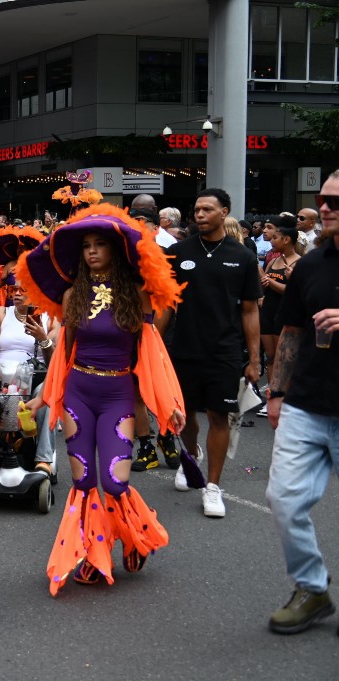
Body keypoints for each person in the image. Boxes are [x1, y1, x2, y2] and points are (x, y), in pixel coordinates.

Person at [19, 204, 184, 595]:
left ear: (115, 250)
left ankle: (133, 535)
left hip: (118, 395)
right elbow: (64, 354)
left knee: (114, 481)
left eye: (100, 245)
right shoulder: (74, 293)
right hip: (79, 392)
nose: (92, 252)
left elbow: (152, 355)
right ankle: (94, 555)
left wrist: (168, 404)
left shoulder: (138, 296)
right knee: (85, 481)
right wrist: (44, 397)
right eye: (87, 246)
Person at [263, 177, 339, 635]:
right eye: (321, 200)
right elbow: (291, 333)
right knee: (284, 499)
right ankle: (312, 589)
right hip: (305, 406)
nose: (323, 208)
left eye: (334, 202)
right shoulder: (311, 265)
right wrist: (276, 393)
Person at [158, 188, 261, 518]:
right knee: (184, 415)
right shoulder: (177, 252)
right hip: (183, 348)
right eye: (196, 209)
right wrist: (153, 344)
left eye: (206, 209)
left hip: (225, 351)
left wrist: (255, 359)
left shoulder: (242, 256)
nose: (199, 214)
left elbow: (249, 311)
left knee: (219, 416)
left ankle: (212, 487)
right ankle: (191, 457)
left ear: (224, 212)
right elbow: (166, 305)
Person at [0, 285, 59, 475]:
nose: (16, 293)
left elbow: (55, 359)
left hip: (37, 377)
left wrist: (43, 339)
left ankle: (44, 459)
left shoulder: (50, 317)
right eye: (14, 289)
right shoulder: (1, 313)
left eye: (23, 289)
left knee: (47, 397)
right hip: (3, 377)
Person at [256, 219, 301, 417]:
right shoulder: (273, 260)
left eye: (275, 238)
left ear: (287, 239)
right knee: (271, 357)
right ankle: (272, 396)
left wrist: (271, 282)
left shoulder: (299, 262)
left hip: (285, 313)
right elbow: (264, 284)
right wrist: (262, 292)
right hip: (268, 311)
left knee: (285, 357)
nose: (271, 241)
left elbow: (292, 292)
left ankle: (286, 396)